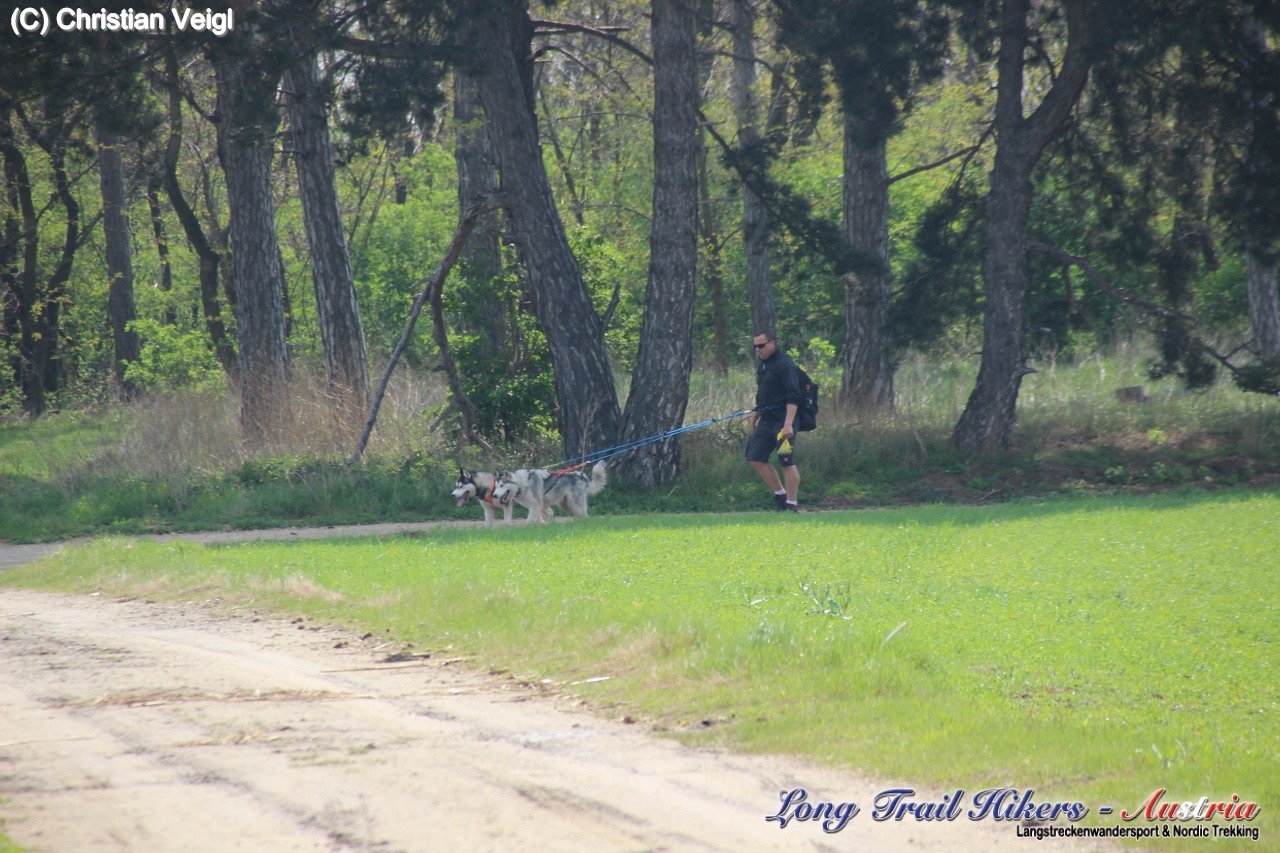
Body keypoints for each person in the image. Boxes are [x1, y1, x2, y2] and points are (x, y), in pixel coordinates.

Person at [745, 331, 801, 511]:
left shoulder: (785, 365)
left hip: (783, 421)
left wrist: (788, 424)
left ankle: (791, 505)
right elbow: (763, 395)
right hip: (766, 420)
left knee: (786, 461)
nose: (758, 350)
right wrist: (755, 417)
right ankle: (781, 496)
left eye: (761, 345)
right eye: (755, 346)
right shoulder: (762, 366)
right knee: (755, 458)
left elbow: (793, 396)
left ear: (773, 344)